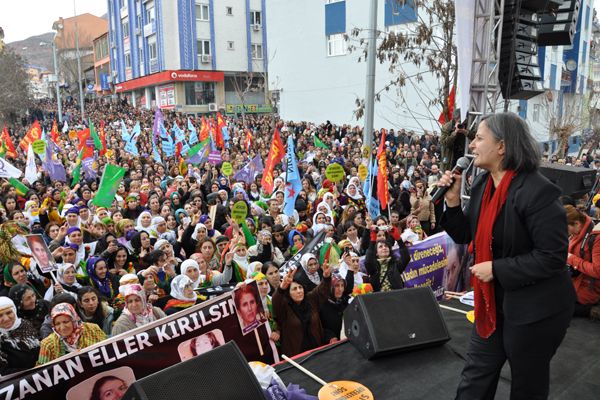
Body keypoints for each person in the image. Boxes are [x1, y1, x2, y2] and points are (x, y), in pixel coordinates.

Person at [439, 112, 575, 399]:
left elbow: (552, 257)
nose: (472, 146)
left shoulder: (539, 192)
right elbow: (468, 235)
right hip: (492, 305)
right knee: (475, 378)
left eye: (478, 138)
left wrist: (497, 269)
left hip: (535, 310)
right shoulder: (481, 185)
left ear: (502, 146)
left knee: (527, 386)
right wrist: (451, 203)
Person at [272, 261, 332, 356]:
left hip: (316, 350)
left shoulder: (310, 299)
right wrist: (283, 286)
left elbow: (321, 291)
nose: (299, 291)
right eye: (294, 289)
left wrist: (326, 276)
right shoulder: (284, 307)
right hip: (296, 354)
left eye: (300, 287)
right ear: (288, 293)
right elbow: (275, 302)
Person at [37, 302, 107, 365]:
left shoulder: (92, 329)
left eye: (65, 322)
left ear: (74, 320)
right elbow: (43, 371)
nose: (62, 327)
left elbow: (108, 349)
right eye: (57, 324)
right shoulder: (48, 345)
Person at [564, 205, 600, 318]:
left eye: (566, 228)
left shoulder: (596, 237)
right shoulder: (580, 232)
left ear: (577, 223)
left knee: (556, 306)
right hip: (576, 280)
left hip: (589, 286)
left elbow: (597, 270)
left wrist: (571, 259)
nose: (566, 233)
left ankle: (591, 311)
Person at [0, 297, 40, 374]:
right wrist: (34, 371)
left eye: (9, 312)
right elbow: (3, 372)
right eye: (0, 315)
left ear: (14, 311)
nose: (6, 318)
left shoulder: (25, 324)